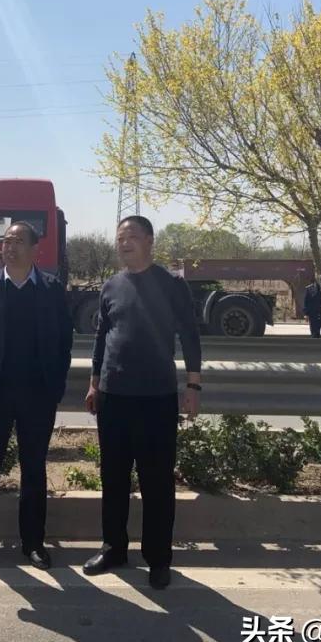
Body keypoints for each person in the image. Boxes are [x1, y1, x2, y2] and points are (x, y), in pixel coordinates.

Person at [83, 216, 202, 590]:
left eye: (132, 236)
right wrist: (94, 383)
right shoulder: (111, 286)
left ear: (150, 240)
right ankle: (113, 548)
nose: (124, 242)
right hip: (113, 397)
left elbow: (190, 335)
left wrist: (193, 385)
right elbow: (102, 338)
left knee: (157, 481)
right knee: (113, 477)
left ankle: (158, 558)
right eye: (120, 237)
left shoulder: (171, 284)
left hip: (157, 397)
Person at [0, 221, 73, 571]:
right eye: (6, 240)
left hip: (38, 395)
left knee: (33, 469)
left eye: (18, 241)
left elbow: (64, 342)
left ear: (35, 249)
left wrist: (56, 386)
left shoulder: (51, 289)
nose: (10, 246)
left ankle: (33, 543)